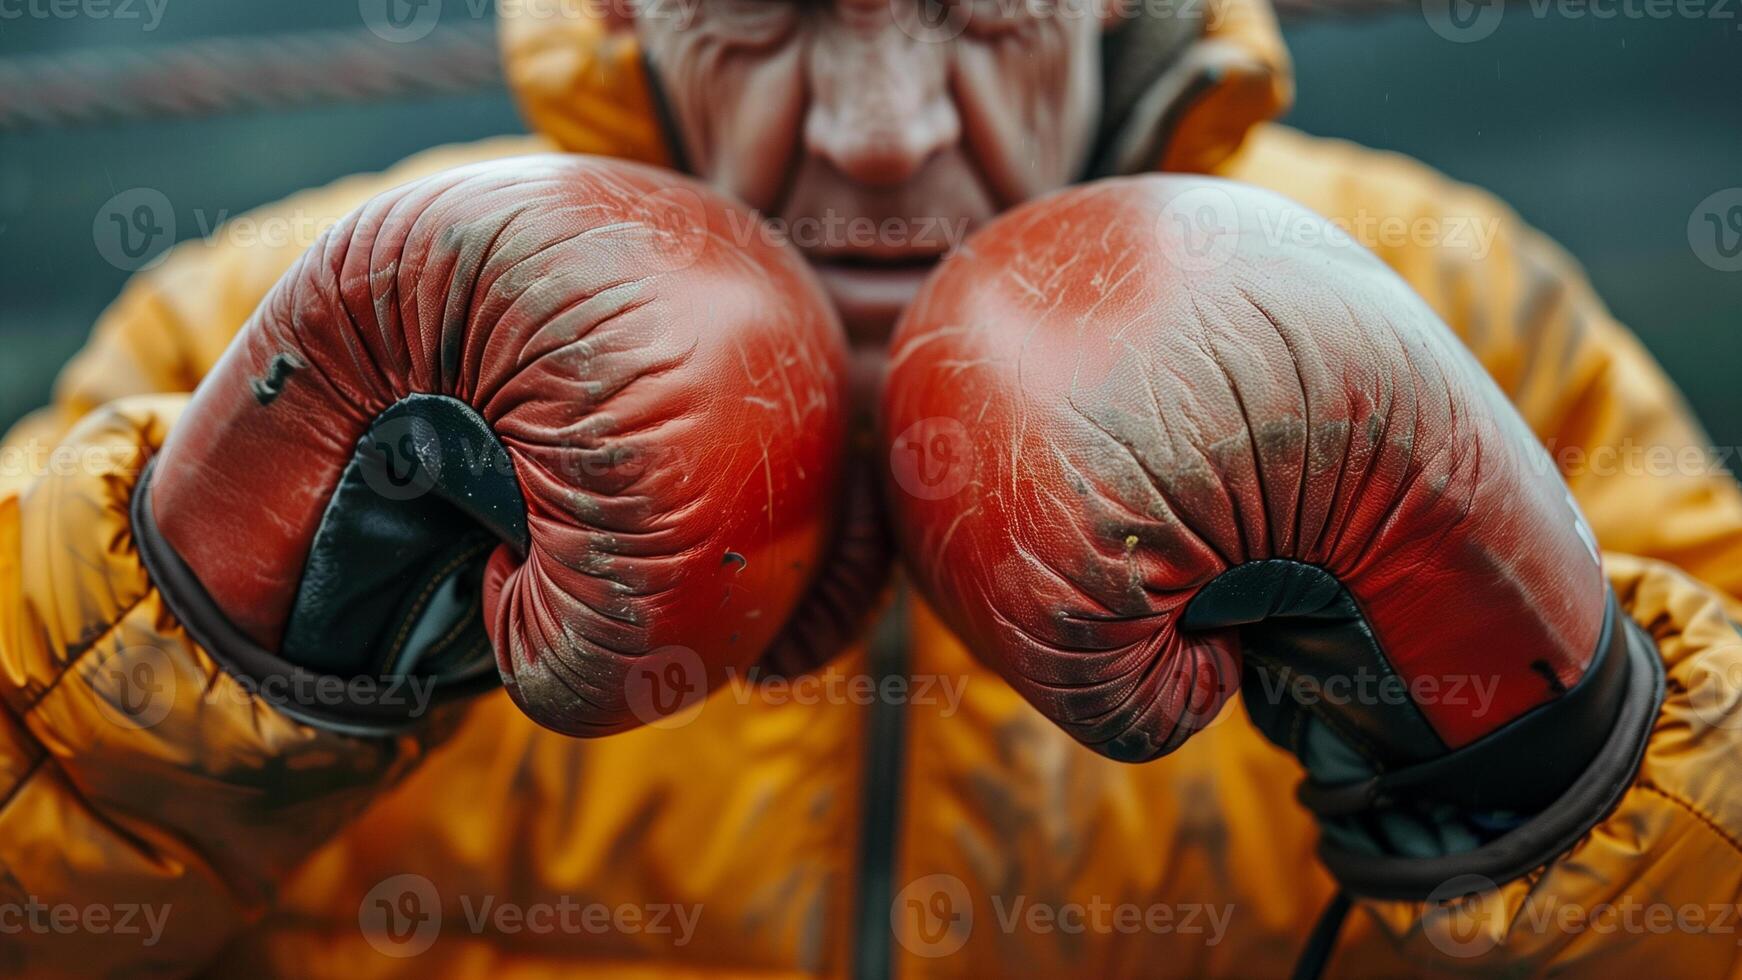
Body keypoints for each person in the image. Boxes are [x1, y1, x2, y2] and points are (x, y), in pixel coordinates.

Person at [3, 0, 1740, 974]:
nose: (886, 129)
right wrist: (198, 623)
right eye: (767, 14)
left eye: (986, 11)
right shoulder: (295, 314)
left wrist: (1535, 759)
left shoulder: (1447, 294)